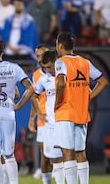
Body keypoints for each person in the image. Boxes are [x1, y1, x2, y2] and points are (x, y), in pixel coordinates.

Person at [54, 32, 108, 184]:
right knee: (80, 152)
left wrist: (57, 102)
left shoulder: (61, 62)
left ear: (60, 45)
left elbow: (61, 83)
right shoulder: (85, 62)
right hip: (81, 112)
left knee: (67, 152)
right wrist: (88, 97)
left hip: (65, 111)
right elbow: (103, 82)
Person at [0, 39, 37, 184]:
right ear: (3, 52)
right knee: (8, 154)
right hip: (7, 111)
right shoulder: (14, 67)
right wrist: (19, 105)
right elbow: (31, 88)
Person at [33, 50, 65, 184]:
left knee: (63, 158)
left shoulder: (65, 75)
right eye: (44, 67)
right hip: (49, 124)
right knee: (47, 157)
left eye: (49, 67)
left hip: (64, 121)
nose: (47, 70)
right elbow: (33, 95)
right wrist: (39, 113)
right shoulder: (43, 79)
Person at [28, 44, 52, 182]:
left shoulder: (60, 71)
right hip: (43, 119)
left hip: (60, 117)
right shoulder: (36, 75)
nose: (40, 58)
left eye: (42, 55)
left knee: (63, 153)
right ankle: (46, 181)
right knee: (45, 154)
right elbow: (34, 98)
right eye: (37, 56)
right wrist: (32, 118)